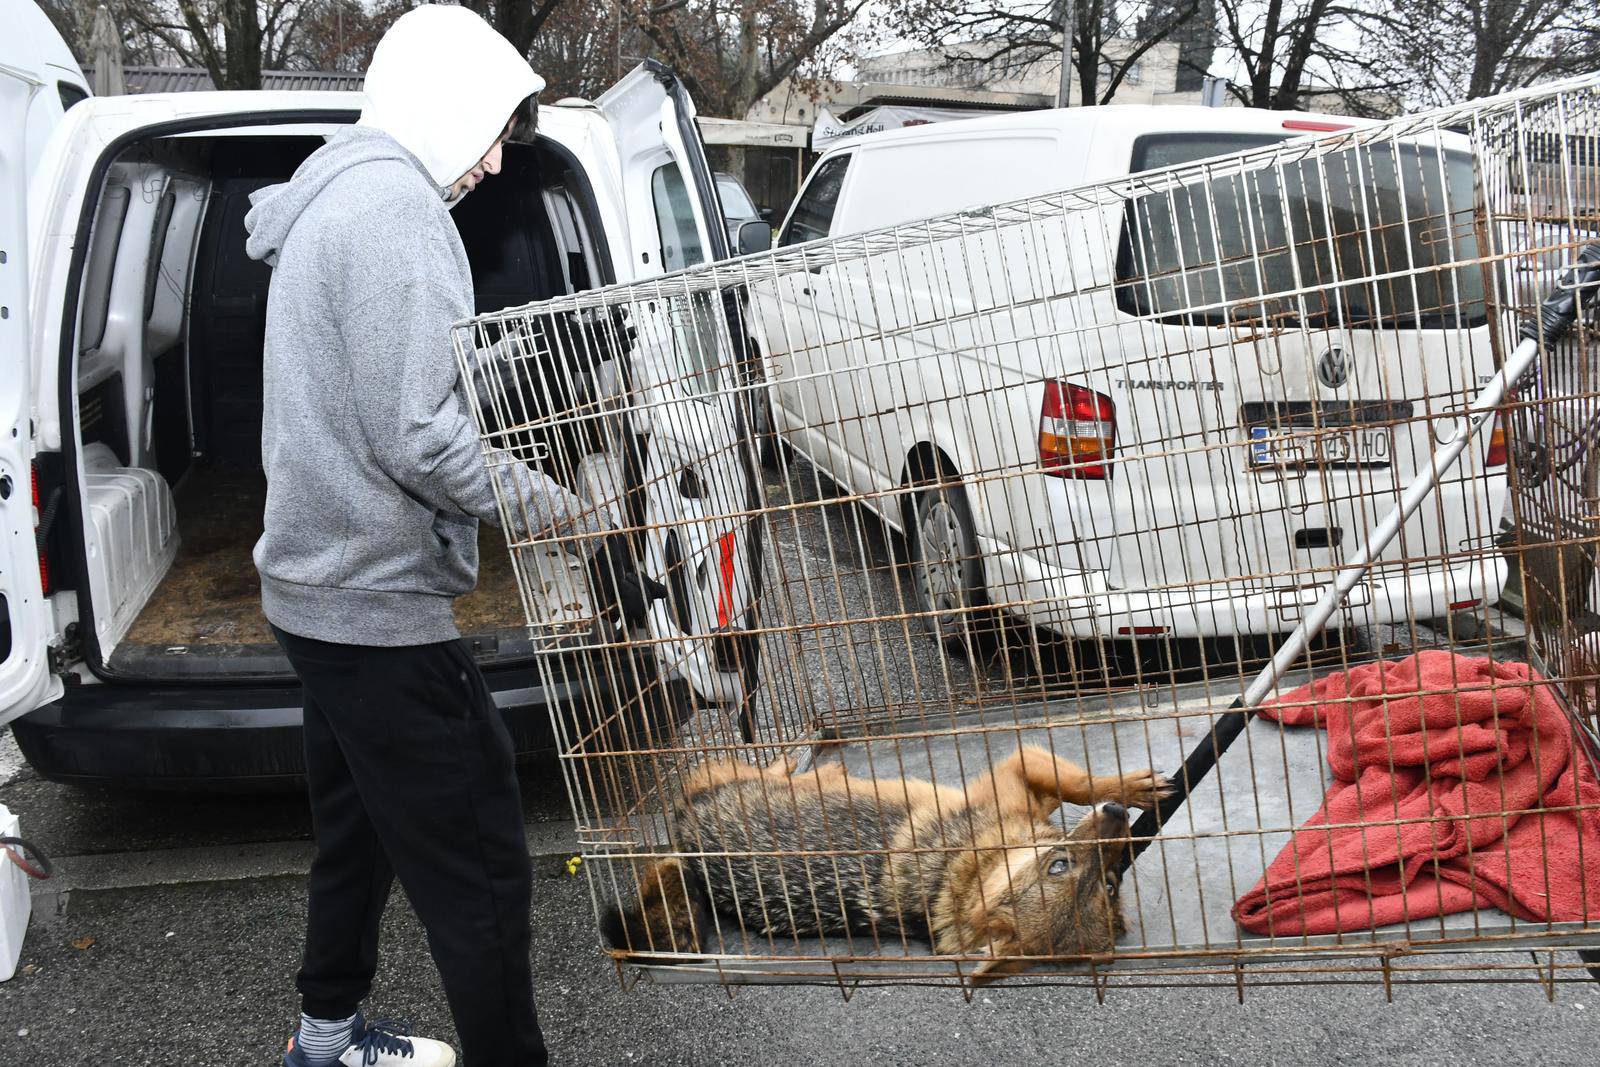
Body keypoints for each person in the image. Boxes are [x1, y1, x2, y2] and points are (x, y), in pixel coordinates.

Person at [244, 6, 658, 1065]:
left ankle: (324, 1038)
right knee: (479, 874)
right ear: (439, 103)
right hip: (377, 605)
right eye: (487, 130)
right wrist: (568, 511)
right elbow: (419, 435)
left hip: (313, 592)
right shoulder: (395, 215)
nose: (489, 163)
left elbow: (387, 384)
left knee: (359, 832)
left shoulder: (337, 190)